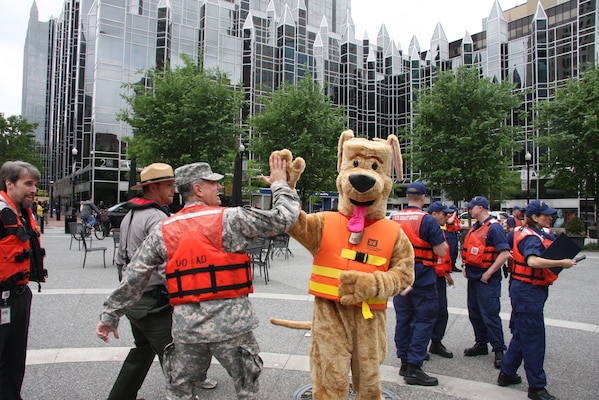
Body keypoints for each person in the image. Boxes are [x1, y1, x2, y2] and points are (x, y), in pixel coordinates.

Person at [96, 155, 300, 400]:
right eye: (213, 182)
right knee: (247, 391)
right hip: (231, 329)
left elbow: (134, 275)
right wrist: (279, 184)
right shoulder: (230, 219)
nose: (218, 187)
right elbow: (285, 217)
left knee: (180, 392)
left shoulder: (165, 229)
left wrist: (110, 316)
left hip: (187, 331)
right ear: (198, 188)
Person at [107, 163, 218, 400]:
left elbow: (120, 259)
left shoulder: (129, 215)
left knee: (142, 351)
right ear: (153, 188)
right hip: (153, 303)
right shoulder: (158, 218)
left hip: (135, 301)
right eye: (168, 185)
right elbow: (169, 264)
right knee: (178, 359)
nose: (174, 189)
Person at [498, 200, 578, 400]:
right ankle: (537, 388)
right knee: (534, 339)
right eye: (546, 215)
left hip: (525, 289)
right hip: (528, 291)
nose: (551, 217)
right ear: (534, 217)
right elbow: (532, 261)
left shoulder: (521, 232)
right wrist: (562, 262)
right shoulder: (531, 238)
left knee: (522, 334)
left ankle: (506, 373)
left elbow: (509, 252)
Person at [391, 182, 448, 386]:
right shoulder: (428, 220)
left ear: (407, 196)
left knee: (403, 319)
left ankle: (404, 362)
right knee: (423, 321)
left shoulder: (393, 218)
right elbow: (441, 251)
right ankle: (415, 367)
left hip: (400, 277)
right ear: (423, 198)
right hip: (422, 278)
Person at [0, 161, 47, 399]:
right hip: (2, 296)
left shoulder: (24, 214)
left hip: (19, 296)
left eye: (35, 184)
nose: (33, 189)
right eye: (28, 183)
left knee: (14, 359)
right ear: (9, 183)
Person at [461, 196, 510, 369]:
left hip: (487, 278)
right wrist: (465, 265)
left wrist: (489, 273)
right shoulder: (477, 226)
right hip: (474, 277)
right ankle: (481, 343)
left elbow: (505, 253)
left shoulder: (494, 228)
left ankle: (499, 350)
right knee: (475, 313)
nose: (468, 209)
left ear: (480, 208)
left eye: (471, 207)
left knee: (490, 314)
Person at [427, 201, 455, 359]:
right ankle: (419, 347)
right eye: (444, 214)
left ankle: (436, 342)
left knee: (441, 312)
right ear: (434, 214)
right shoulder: (428, 229)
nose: (447, 216)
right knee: (426, 313)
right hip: (429, 276)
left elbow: (444, 256)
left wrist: (447, 274)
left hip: (439, 277)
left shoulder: (439, 230)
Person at [446, 204, 461, 272]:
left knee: (455, 252)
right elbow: (449, 221)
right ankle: (448, 266)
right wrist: (454, 214)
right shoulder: (448, 216)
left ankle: (453, 265)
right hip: (449, 235)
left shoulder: (455, 218)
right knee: (450, 251)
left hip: (455, 234)